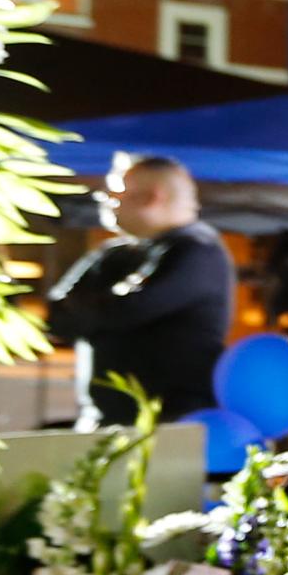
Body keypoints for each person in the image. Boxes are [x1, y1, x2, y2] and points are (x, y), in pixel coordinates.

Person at [44, 153, 235, 428]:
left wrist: (93, 312)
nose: (106, 199)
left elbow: (128, 309)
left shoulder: (197, 252)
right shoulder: (112, 254)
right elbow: (59, 316)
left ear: (151, 197)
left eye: (116, 191)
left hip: (169, 427)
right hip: (103, 422)